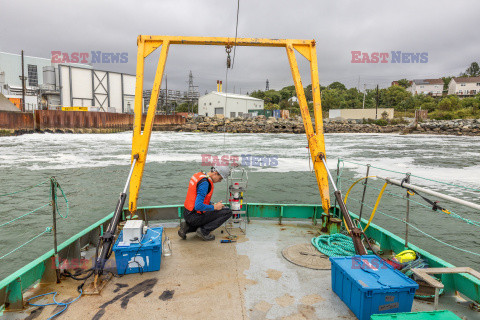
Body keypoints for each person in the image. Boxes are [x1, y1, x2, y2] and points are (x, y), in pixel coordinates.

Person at [178, 166, 233, 241]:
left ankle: (187, 227)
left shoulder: (198, 175)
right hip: (194, 216)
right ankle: (203, 231)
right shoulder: (205, 183)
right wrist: (215, 207)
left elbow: (195, 198)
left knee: (212, 211)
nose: (220, 181)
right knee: (227, 212)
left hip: (187, 213)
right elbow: (198, 206)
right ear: (215, 173)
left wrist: (212, 204)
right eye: (220, 178)